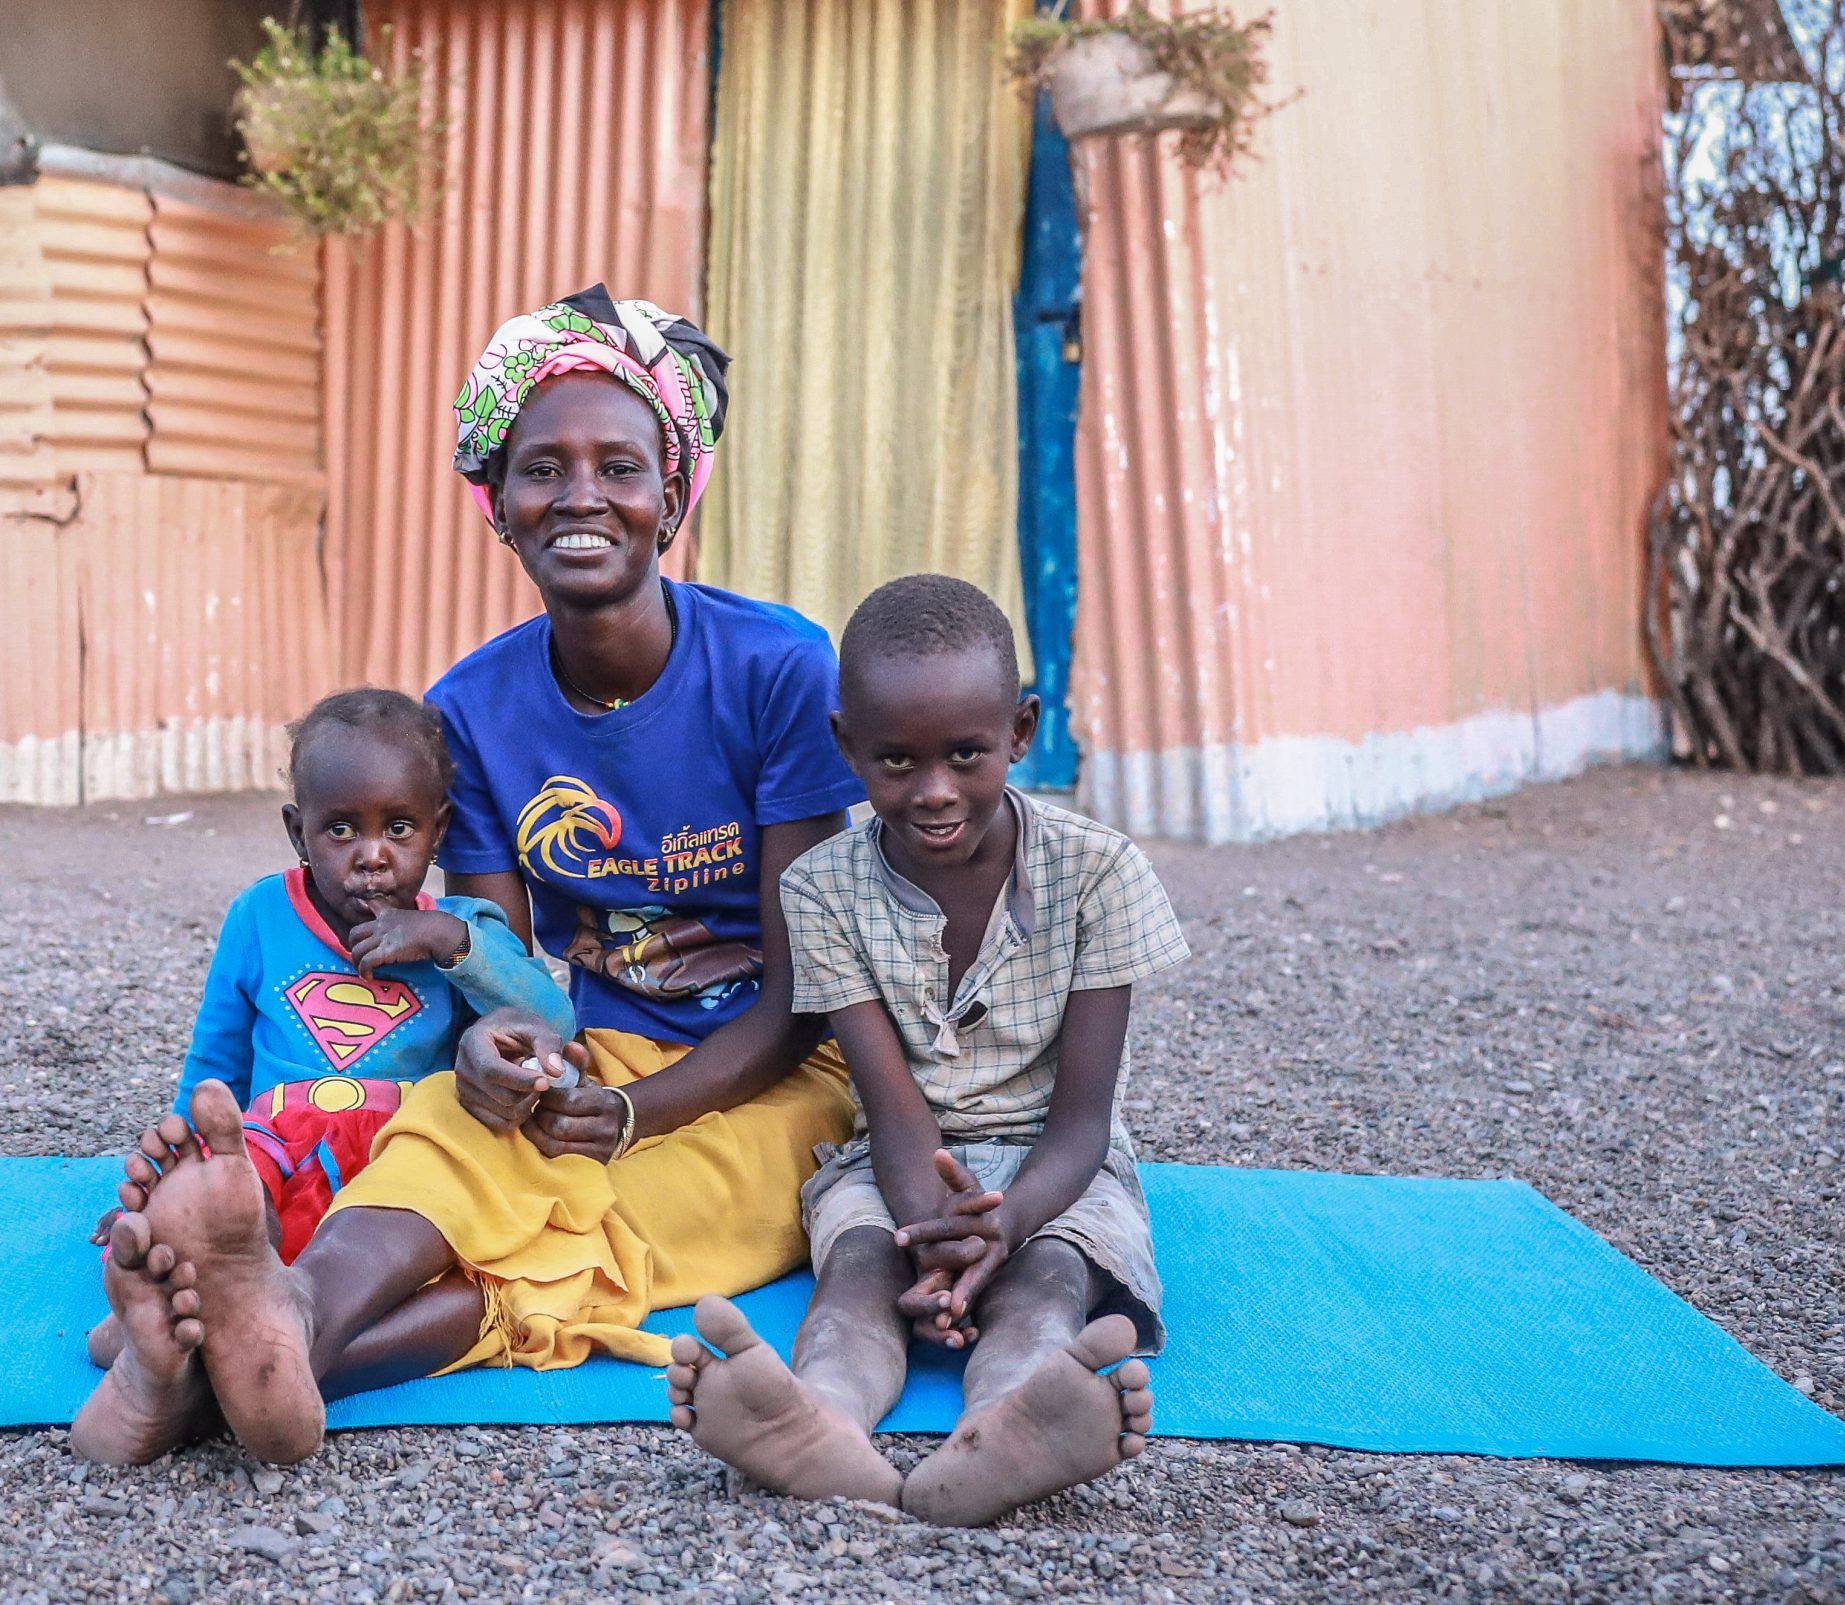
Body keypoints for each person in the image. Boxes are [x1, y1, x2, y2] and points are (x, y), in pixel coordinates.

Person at [71, 286, 866, 1469]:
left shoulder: (776, 670)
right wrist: (504, 1060)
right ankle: (275, 1321)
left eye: (619, 466)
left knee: (616, 1221)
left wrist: (641, 1113)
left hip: (775, 1072)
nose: (582, 496)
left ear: (672, 494)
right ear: (499, 505)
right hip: (586, 1047)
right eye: (543, 468)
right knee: (448, 1130)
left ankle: (232, 1357)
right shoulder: (474, 711)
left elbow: (799, 997)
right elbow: (487, 955)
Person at [664, 574, 1179, 1526]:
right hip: (896, 1164)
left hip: (1055, 1169)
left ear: (1021, 732)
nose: (933, 790)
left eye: (967, 755)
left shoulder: (1100, 871)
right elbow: (893, 1110)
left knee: (1053, 1281)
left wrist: (1004, 1223)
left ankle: (1011, 1421)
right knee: (859, 1271)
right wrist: (927, 1241)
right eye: (895, 760)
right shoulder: (821, 889)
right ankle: (820, 1418)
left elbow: (1081, 1119)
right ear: (845, 745)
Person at [70, 690, 570, 1453]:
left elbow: (552, 1020)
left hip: (393, 1161)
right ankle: (184, 1260)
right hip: (275, 1140)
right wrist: (175, 1166)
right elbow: (215, 1069)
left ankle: (184, 1325)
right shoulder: (261, 915)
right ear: (297, 831)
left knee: (452, 1233)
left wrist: (448, 941)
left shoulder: (465, 931)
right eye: (341, 828)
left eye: (399, 828)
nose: (372, 854)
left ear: (438, 829)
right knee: (234, 1175)